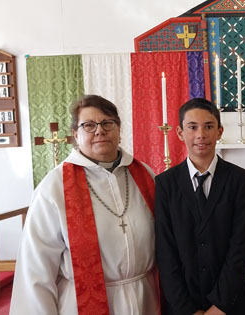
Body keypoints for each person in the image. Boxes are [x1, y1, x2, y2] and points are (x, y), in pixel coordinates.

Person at [10, 95, 159, 314]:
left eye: (107, 123)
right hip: (82, 304)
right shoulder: (55, 187)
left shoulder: (144, 175)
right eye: (88, 125)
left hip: (146, 298)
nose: (100, 131)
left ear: (119, 129)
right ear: (75, 134)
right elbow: (36, 270)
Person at [155, 98, 245, 315]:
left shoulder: (238, 179)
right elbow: (165, 251)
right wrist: (186, 309)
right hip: (182, 304)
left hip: (231, 302)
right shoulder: (165, 184)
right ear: (181, 133)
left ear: (219, 131)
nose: (201, 134)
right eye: (192, 127)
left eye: (208, 126)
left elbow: (242, 244)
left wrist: (218, 307)